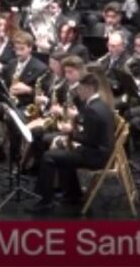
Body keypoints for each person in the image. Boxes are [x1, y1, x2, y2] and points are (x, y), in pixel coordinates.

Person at [30, 72, 115, 213]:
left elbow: (90, 140)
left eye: (80, 88)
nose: (78, 91)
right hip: (101, 151)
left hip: (96, 157)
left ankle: (45, 200)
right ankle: (72, 194)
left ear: (89, 88)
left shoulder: (93, 109)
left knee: (48, 157)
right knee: (63, 154)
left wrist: (70, 132)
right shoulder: (100, 105)